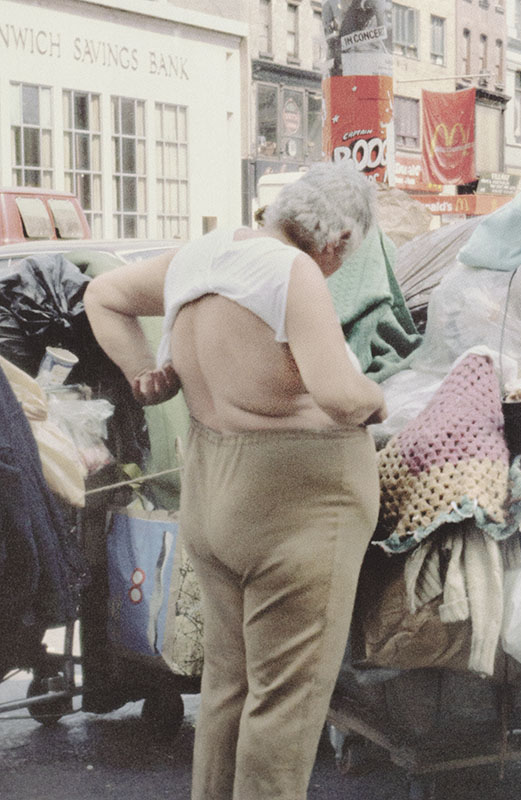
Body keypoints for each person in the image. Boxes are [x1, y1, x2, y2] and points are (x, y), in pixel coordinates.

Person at [84, 161, 387, 799]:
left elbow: (103, 295)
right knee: (286, 702)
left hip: (214, 489)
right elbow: (339, 396)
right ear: (336, 242)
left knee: (229, 688)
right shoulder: (295, 272)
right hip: (297, 506)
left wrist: (146, 371)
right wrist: (377, 399)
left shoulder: (202, 254)